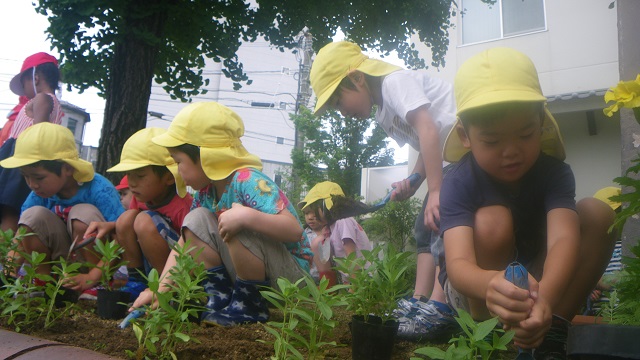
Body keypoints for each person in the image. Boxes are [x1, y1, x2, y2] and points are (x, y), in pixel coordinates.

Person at [438, 47, 617, 357]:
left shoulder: (554, 173)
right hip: (476, 290)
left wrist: (544, 298)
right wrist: (491, 284)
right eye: (492, 141)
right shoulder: (457, 180)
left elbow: (563, 239)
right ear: (465, 136)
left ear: (541, 123)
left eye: (525, 134)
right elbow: (458, 265)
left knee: (598, 214)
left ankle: (551, 327)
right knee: (492, 220)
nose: (511, 151)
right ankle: (490, 336)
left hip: (536, 281)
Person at [309, 40, 458, 340]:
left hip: (466, 150)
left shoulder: (394, 83)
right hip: (449, 161)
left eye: (338, 103)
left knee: (443, 220)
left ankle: (441, 305)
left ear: (357, 78)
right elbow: (423, 143)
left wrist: (437, 191)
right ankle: (419, 300)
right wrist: (414, 181)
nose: (341, 113)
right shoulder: (383, 113)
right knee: (423, 225)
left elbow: (432, 129)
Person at [131, 101, 313, 327]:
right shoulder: (205, 193)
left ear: (206, 156)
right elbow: (185, 242)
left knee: (232, 218)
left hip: (290, 278)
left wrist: (247, 217)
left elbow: (294, 231)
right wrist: (160, 289)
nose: (177, 170)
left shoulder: (247, 180)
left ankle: (250, 306)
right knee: (195, 219)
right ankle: (220, 297)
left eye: (179, 162)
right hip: (255, 274)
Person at [0, 123, 123, 291]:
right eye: (26, 177)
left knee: (82, 213)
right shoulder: (39, 194)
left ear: (67, 168)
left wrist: (93, 276)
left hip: (96, 268)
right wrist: (8, 273)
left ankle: (96, 286)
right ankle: (44, 282)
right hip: (60, 263)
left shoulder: (99, 189)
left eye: (39, 177)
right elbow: (22, 235)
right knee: (31, 217)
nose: (32, 185)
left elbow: (121, 238)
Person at [82, 128, 193, 300]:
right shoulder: (141, 198)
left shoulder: (182, 205)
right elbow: (129, 225)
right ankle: (136, 280)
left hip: (178, 267)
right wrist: (110, 225)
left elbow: (191, 246)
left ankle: (168, 289)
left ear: (169, 177)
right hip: (150, 259)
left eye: (140, 175)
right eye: (129, 174)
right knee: (126, 219)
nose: (131, 183)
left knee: (142, 220)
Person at [0, 53, 64, 233]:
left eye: (23, 83)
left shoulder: (43, 99)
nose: (23, 89)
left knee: (9, 209)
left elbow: (39, 131)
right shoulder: (53, 102)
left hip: (21, 154)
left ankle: (5, 257)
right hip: (19, 152)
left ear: (35, 78)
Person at [298, 181, 373, 287]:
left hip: (362, 278)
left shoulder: (343, 221)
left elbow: (351, 256)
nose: (311, 216)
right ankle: (328, 286)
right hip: (347, 279)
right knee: (317, 242)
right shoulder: (331, 226)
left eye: (314, 209)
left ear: (326, 205)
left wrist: (355, 287)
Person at [584, 186, 622, 316]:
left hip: (624, 316)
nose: (613, 220)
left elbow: (627, 279)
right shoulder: (596, 248)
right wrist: (589, 290)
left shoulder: (630, 245)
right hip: (598, 315)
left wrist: (597, 282)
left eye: (616, 213)